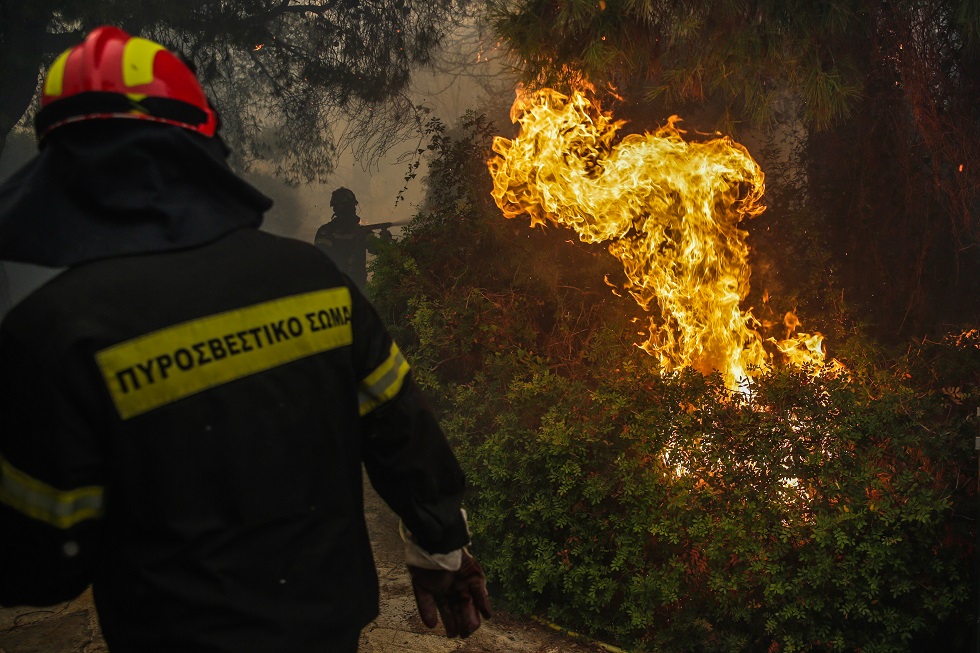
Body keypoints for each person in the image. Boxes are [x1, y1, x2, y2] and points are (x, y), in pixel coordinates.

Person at [0, 25, 489, 653]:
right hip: (327, 627)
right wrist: (441, 548)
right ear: (203, 144)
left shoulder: (50, 333)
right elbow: (403, 433)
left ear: (61, 167)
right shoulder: (311, 280)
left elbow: (43, 565)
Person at [314, 188, 392, 292]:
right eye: (347, 207)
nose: (351, 210)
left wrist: (384, 238)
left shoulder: (325, 232)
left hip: (352, 289)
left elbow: (377, 248)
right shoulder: (325, 232)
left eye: (349, 206)